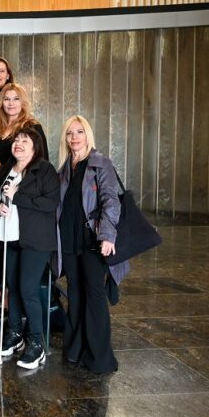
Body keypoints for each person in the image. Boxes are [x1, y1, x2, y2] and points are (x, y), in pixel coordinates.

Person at [57, 115, 125, 374]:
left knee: (95, 295)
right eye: (70, 133)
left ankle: (100, 357)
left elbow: (111, 200)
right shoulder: (65, 168)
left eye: (79, 132)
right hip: (69, 239)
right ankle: (75, 350)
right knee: (75, 292)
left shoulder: (100, 163)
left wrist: (108, 235)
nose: (74, 138)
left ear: (88, 135)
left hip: (92, 240)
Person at [0, 126, 59, 370]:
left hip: (36, 240)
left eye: (25, 141)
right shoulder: (7, 170)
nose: (18, 144)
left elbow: (51, 202)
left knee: (28, 289)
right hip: (10, 237)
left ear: (35, 146)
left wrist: (18, 196)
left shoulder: (45, 170)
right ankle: (15, 333)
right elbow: (1, 198)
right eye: (16, 140)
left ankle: (37, 343)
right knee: (13, 287)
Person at [0, 83, 49, 315]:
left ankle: (8, 294)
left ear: (23, 102)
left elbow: (38, 164)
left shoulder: (32, 127)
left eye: (16, 99)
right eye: (7, 99)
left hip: (22, 195)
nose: (11, 103)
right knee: (0, 242)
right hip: (1, 192)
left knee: (15, 246)